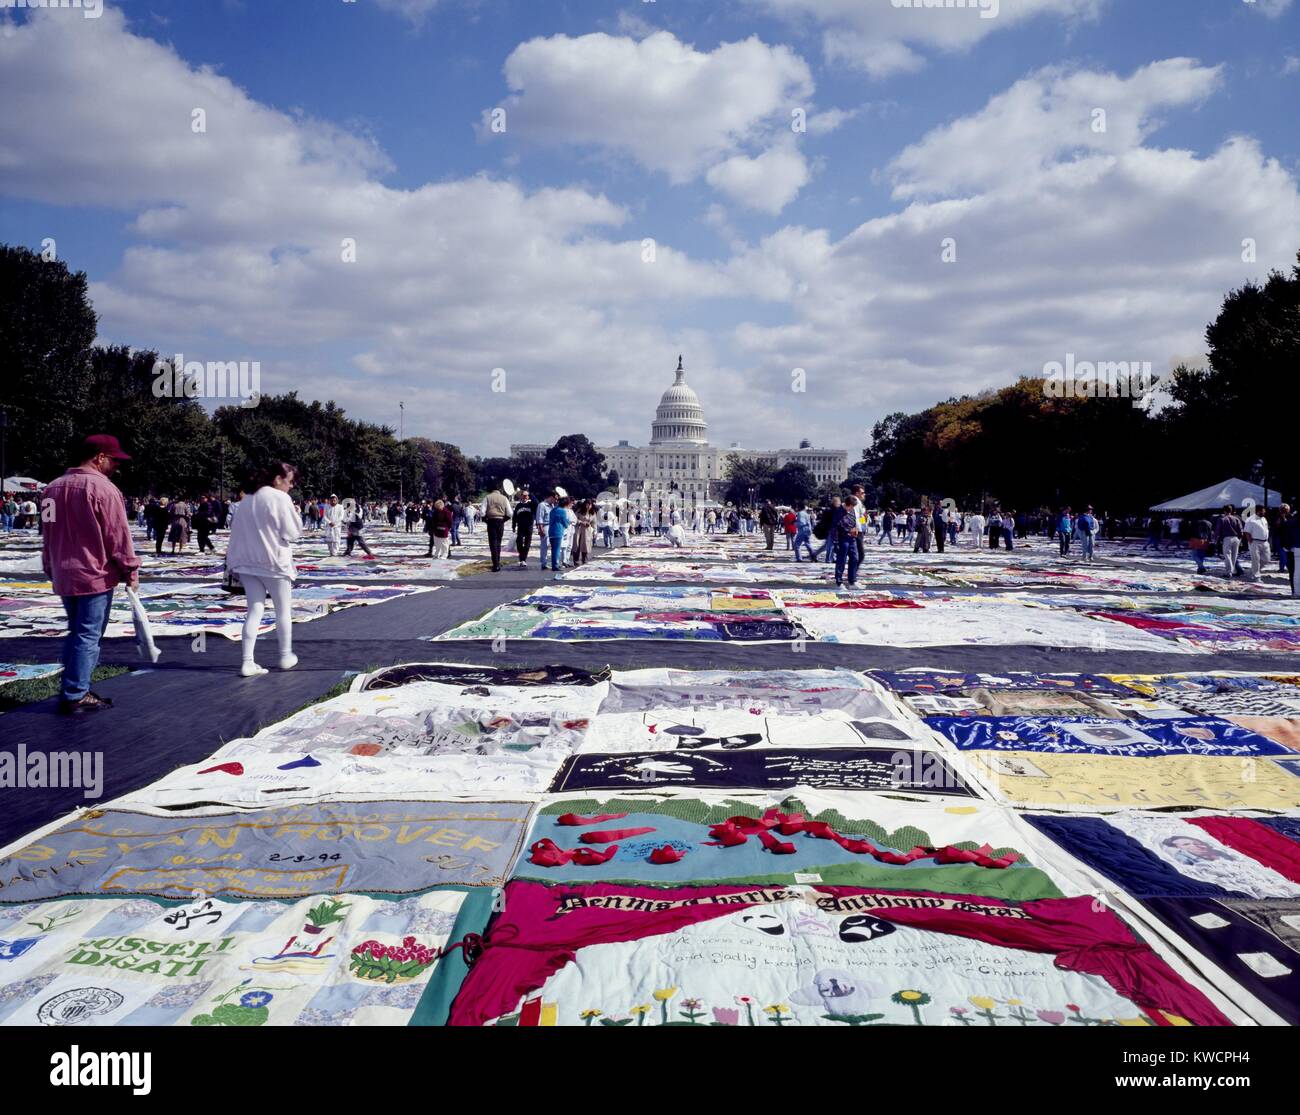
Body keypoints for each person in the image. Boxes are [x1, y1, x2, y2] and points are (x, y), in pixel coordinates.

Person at [41, 435, 141, 713]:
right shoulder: (104, 489)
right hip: (94, 574)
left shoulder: (51, 489)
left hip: (64, 572)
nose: (116, 466)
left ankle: (72, 686)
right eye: (114, 460)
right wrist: (130, 570)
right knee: (88, 634)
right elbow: (118, 536)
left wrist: (49, 565)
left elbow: (47, 533)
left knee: (76, 631)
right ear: (99, 457)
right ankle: (76, 693)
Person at [226, 461, 302, 677]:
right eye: (290, 481)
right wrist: (295, 513)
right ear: (278, 479)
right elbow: (293, 533)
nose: (291, 486)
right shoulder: (279, 498)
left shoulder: (247, 499)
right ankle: (285, 655)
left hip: (247, 563)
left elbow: (237, 531)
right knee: (282, 610)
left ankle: (247, 661)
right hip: (274, 562)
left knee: (254, 610)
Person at [482, 484, 512, 572]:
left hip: (491, 521)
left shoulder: (487, 497)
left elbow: (482, 512)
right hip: (500, 521)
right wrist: (504, 520)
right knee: (498, 542)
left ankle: (495, 564)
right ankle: (498, 562)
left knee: (493, 543)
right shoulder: (504, 498)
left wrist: (485, 520)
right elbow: (510, 513)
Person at [833, 496, 861, 588]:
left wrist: (856, 529)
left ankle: (852, 581)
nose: (853, 508)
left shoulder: (852, 510)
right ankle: (839, 582)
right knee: (842, 560)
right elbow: (835, 527)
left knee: (855, 558)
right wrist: (836, 542)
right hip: (842, 538)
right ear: (847, 505)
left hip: (852, 538)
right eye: (852, 507)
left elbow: (854, 521)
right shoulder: (838, 511)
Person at [1215, 505, 1244, 578]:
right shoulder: (1236, 519)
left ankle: (1229, 571)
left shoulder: (1222, 519)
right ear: (1231, 511)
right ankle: (1232, 570)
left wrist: (1216, 539)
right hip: (1236, 538)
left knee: (1227, 555)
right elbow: (1241, 530)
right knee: (1234, 555)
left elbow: (1218, 531)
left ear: (1224, 511)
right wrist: (1240, 539)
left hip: (1227, 538)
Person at [1243, 505, 1271, 582]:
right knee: (1256, 560)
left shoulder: (1264, 519)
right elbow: (1246, 532)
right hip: (1255, 542)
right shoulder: (1250, 520)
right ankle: (1256, 576)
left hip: (1265, 542)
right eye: (1263, 510)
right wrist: (1251, 542)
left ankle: (1252, 571)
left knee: (1266, 559)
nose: (1264, 512)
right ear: (1258, 511)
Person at [548, 496, 572, 573]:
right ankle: (555, 565)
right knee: (557, 550)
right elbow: (565, 523)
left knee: (553, 549)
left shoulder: (553, 510)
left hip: (551, 530)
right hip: (558, 531)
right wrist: (568, 522)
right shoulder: (562, 511)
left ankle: (554, 564)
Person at [512, 488, 535, 568]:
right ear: (521, 496)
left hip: (529, 526)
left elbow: (537, 502)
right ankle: (521, 558)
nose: (525, 497)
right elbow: (514, 516)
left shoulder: (531, 504)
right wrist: (513, 526)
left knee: (527, 544)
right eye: (523, 495)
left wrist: (530, 494)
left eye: (526, 496)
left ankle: (523, 560)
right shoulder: (518, 505)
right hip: (520, 527)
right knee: (519, 542)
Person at [571, 500, 595, 566]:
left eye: (590, 505)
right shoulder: (579, 511)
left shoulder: (592, 513)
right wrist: (581, 522)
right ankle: (576, 560)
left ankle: (584, 559)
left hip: (587, 530)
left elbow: (594, 523)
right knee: (577, 544)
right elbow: (574, 519)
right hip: (578, 529)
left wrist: (595, 532)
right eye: (587, 505)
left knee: (586, 544)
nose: (588, 506)